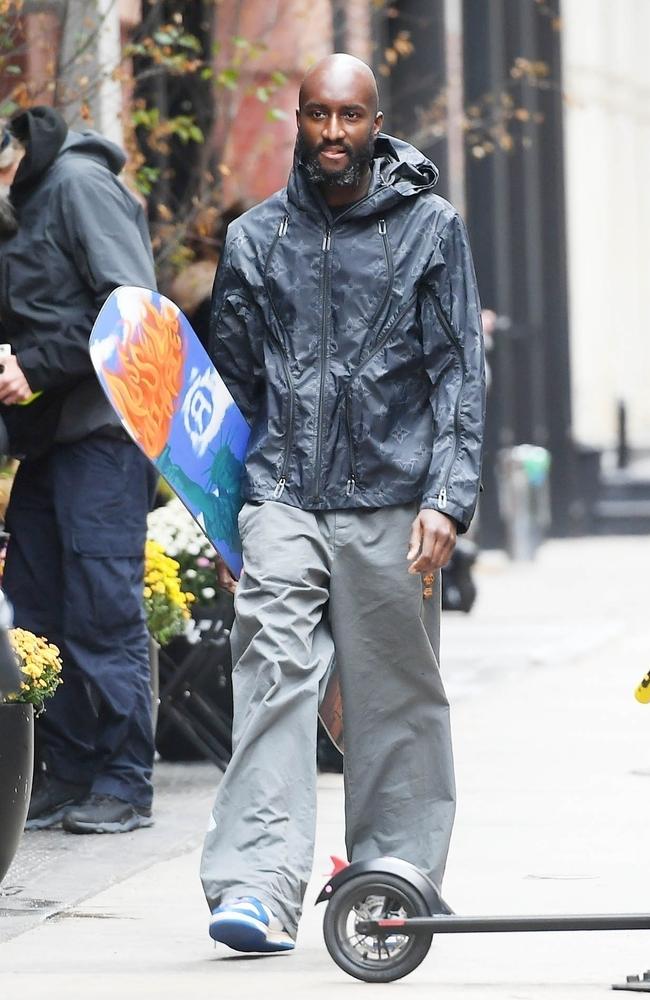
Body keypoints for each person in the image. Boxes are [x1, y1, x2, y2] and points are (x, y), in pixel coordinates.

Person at [201, 53, 485, 952]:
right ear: (298, 118)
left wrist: (448, 496)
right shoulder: (254, 241)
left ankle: (393, 879)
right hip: (282, 493)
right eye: (318, 115)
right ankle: (255, 882)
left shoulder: (430, 231)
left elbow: (459, 377)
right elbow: (235, 391)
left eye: (350, 117)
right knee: (271, 674)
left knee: (393, 695)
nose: (333, 134)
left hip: (394, 500)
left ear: (376, 121)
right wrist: (224, 515)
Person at [0, 106, 158, 834]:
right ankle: (63, 772)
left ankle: (125, 782)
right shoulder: (21, 197)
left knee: (102, 611)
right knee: (35, 607)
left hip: (102, 434)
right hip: (45, 438)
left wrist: (32, 364)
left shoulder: (77, 185)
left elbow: (131, 310)